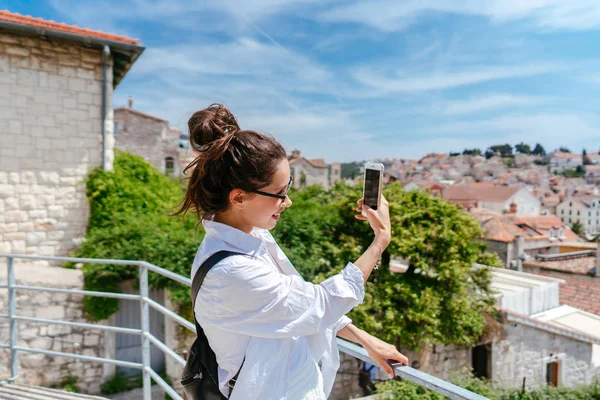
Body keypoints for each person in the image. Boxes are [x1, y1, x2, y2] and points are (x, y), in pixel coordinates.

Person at [175, 104, 408, 400]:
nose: (288, 202)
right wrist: (380, 240)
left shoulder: (251, 237)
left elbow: (297, 299)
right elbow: (320, 303)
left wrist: (365, 340)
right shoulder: (231, 272)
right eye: (280, 193)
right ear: (238, 197)